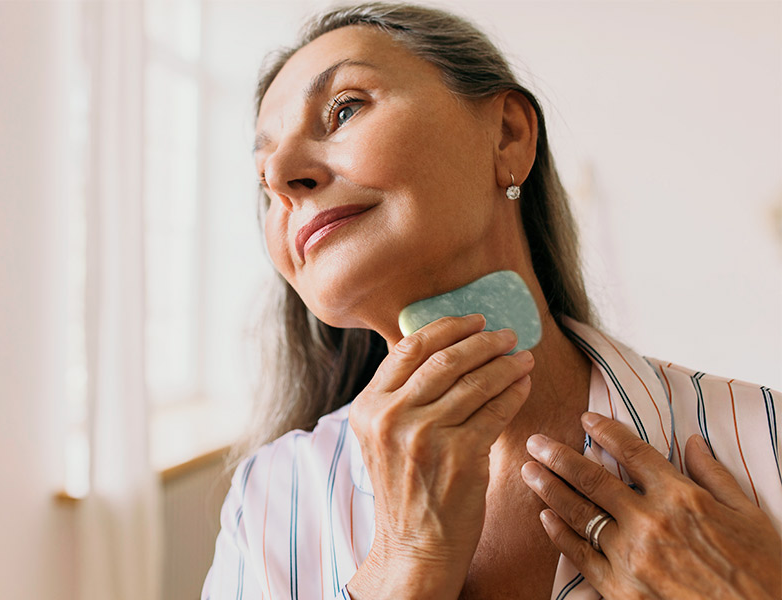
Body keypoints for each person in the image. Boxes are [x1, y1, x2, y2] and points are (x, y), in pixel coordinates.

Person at [202, 3, 781, 599]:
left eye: (345, 108)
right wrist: (405, 564)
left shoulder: (769, 439)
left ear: (508, 135)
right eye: (261, 177)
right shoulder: (265, 503)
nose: (280, 175)